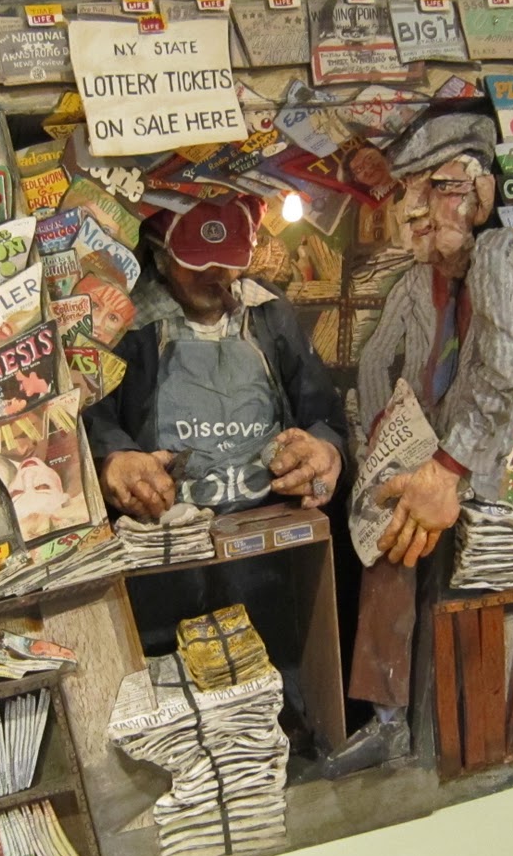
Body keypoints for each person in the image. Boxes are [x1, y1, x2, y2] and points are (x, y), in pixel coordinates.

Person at [326, 112, 513, 776]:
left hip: (474, 468)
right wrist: (377, 434)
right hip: (420, 455)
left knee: (446, 579)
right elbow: (373, 362)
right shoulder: (415, 283)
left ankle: (451, 733)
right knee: (387, 542)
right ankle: (387, 720)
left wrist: (447, 468)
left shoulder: (499, 257)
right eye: (408, 190)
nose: (416, 208)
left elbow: (502, 371)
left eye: (440, 187)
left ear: (481, 196)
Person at [83, 195, 347, 663]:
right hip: (168, 559)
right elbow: (89, 414)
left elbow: (322, 413)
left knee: (273, 667)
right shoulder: (124, 324)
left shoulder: (269, 313)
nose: (215, 275)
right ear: (161, 255)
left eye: (226, 262)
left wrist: (326, 452)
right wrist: (114, 459)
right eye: (196, 264)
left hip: (265, 551)